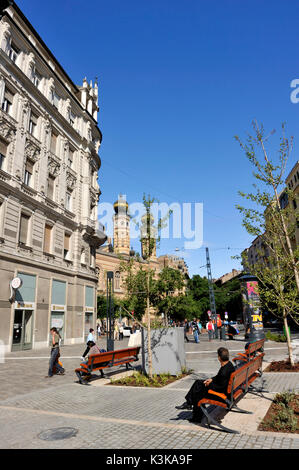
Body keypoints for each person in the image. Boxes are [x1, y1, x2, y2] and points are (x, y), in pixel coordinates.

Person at [176, 347, 235, 422]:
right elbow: (219, 378)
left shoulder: (224, 371)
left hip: (222, 395)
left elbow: (220, 386)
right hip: (226, 392)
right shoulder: (229, 365)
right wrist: (211, 379)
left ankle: (192, 408)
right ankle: (189, 404)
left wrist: (209, 384)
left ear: (219, 358)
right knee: (198, 384)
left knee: (198, 391)